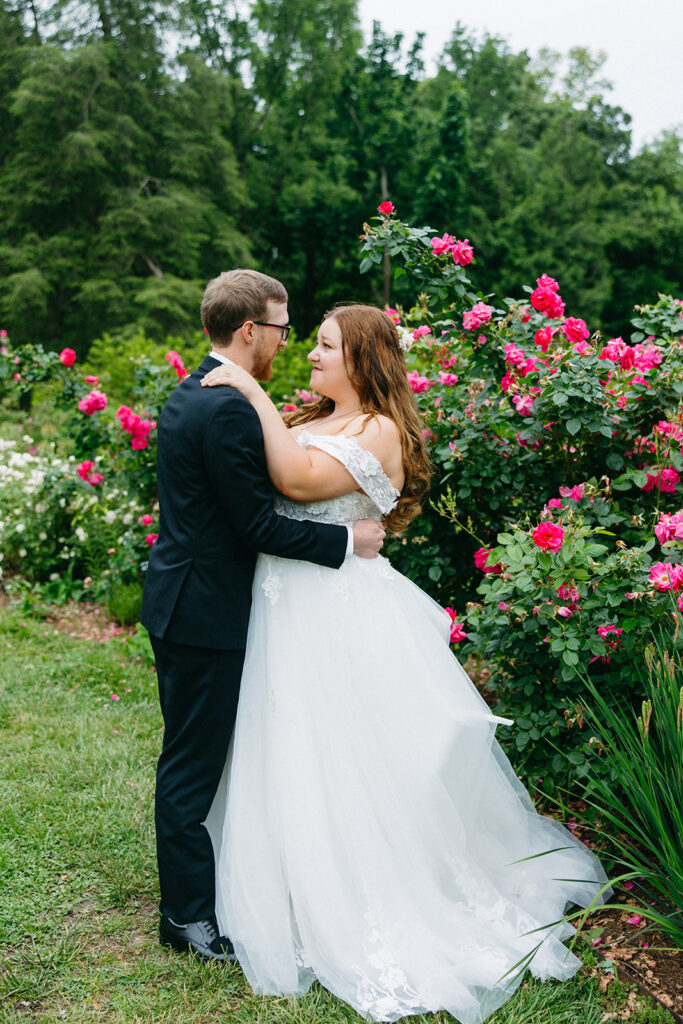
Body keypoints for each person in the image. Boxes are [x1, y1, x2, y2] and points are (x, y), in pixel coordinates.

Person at [200, 303, 610, 1023]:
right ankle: (289, 884)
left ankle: (365, 892)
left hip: (336, 614)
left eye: (326, 346)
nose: (312, 356)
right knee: (289, 743)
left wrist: (248, 387)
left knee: (349, 755)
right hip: (283, 605)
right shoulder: (315, 418)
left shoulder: (379, 429)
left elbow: (296, 482)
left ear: (363, 359)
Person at [140, 271, 385, 963]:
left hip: (184, 597)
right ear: (250, 330)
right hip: (204, 610)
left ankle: (211, 892)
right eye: (281, 328)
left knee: (196, 756)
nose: (288, 342)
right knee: (191, 766)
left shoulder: (195, 389)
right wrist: (346, 540)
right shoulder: (227, 406)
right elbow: (257, 526)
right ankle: (186, 916)